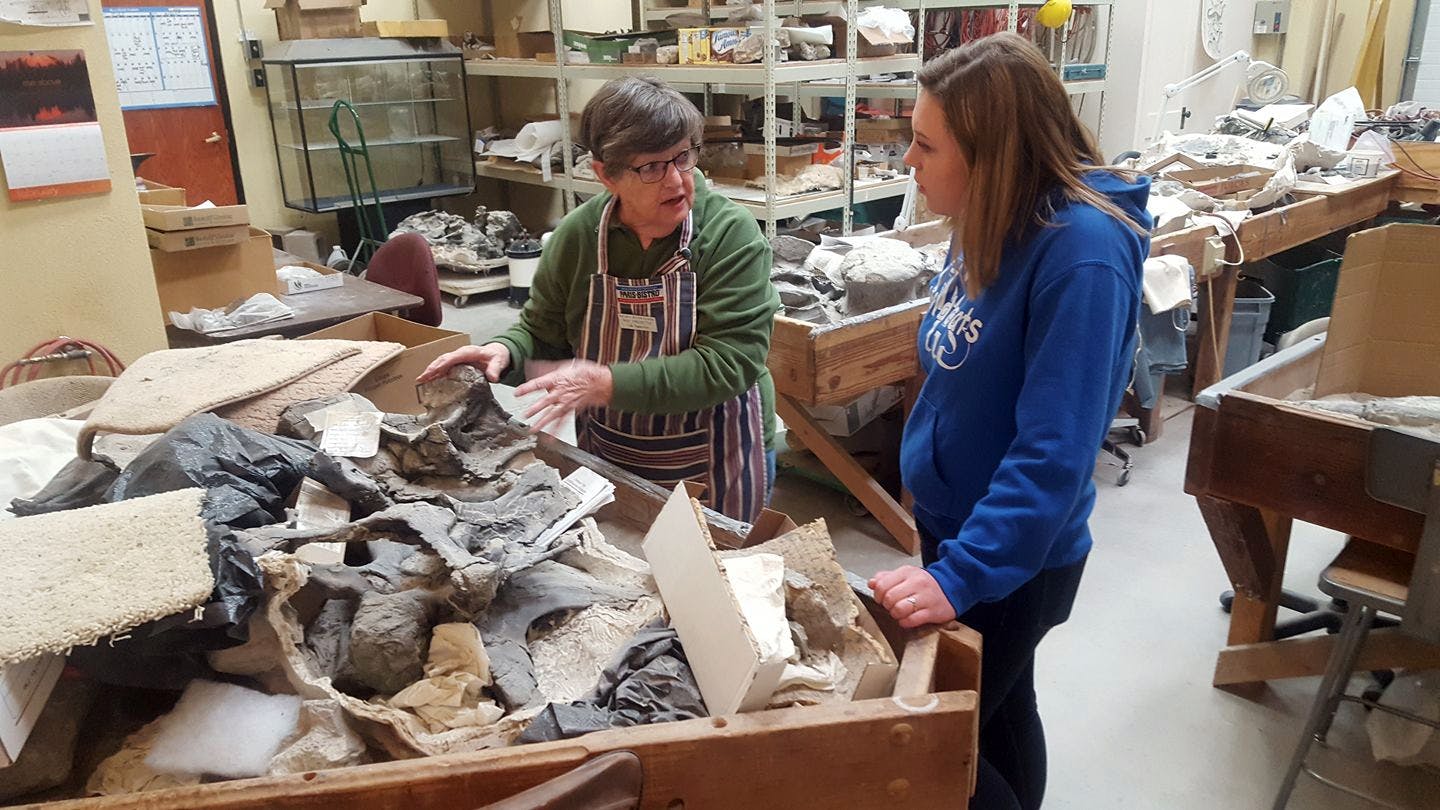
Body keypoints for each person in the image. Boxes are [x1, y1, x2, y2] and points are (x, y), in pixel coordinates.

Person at [868, 33, 1152, 810]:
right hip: (960, 527)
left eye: (925, 145)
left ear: (992, 154)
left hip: (1014, 557)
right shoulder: (991, 213)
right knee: (1002, 714)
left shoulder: (1082, 254)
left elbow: (1054, 455)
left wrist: (960, 575)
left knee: (936, 755)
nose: (909, 163)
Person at [418, 77, 779, 523]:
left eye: (683, 156)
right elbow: (542, 331)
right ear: (605, 173)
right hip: (613, 442)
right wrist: (503, 351)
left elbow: (729, 363)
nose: (676, 180)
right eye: (651, 167)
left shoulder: (730, 235)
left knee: (722, 576)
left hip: (717, 450)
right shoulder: (578, 235)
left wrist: (606, 383)